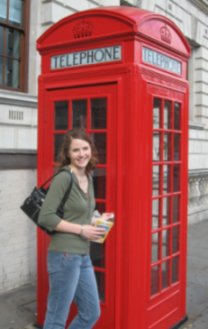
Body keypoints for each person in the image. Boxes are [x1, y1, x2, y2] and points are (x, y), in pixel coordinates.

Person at [38, 128, 109, 329]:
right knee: (56, 318)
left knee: (91, 312)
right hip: (64, 256)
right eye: (75, 150)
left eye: (85, 148)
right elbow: (46, 217)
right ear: (67, 153)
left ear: (91, 149)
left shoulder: (88, 175)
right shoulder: (63, 178)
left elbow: (83, 211)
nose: (81, 154)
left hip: (83, 255)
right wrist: (81, 230)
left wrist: (97, 219)